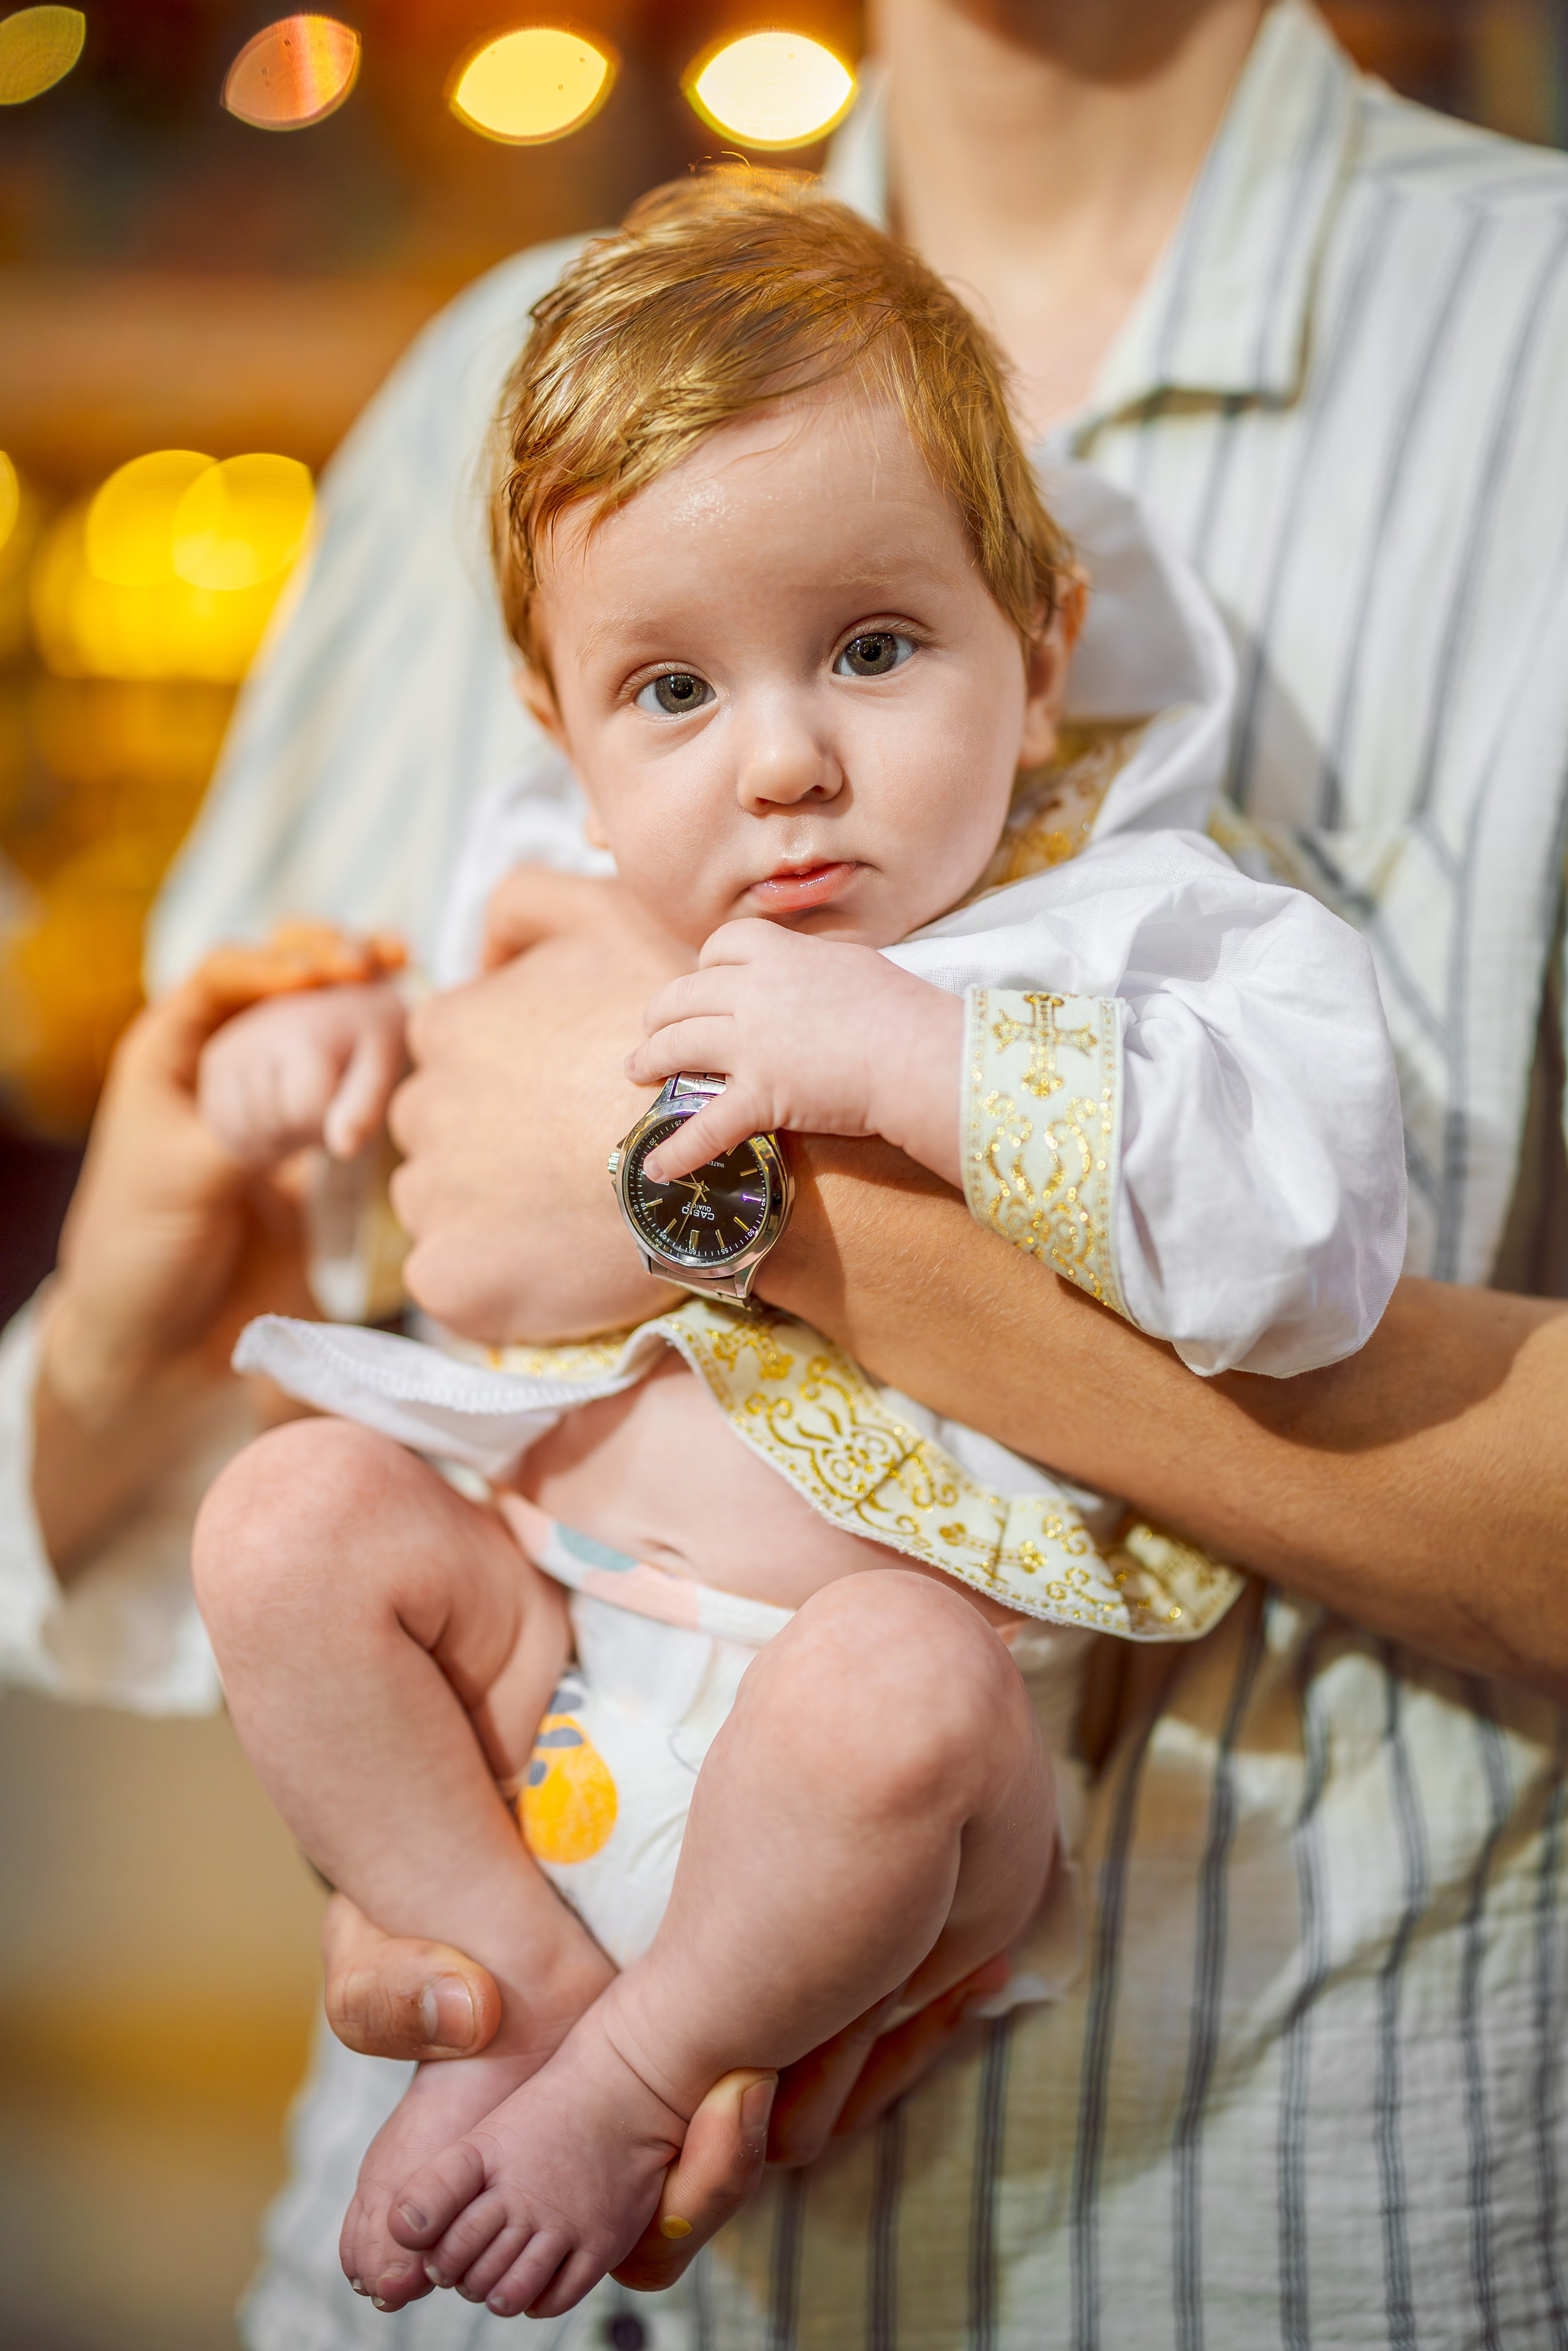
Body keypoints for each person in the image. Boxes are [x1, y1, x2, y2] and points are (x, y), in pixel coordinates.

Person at [5, 1, 1567, 2342]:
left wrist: (698, 1170)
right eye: (669, 696)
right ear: (571, 710)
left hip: (1242, 2199)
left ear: (1048, 662)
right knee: (296, 1526)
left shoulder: (1171, 847)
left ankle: (616, 2068)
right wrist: (317, 1075)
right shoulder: (498, 389)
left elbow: (1280, 1197)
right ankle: (531, 2015)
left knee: (888, 1702)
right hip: (535, 1812)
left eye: (870, 652)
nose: (786, 773)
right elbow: (191, 1366)